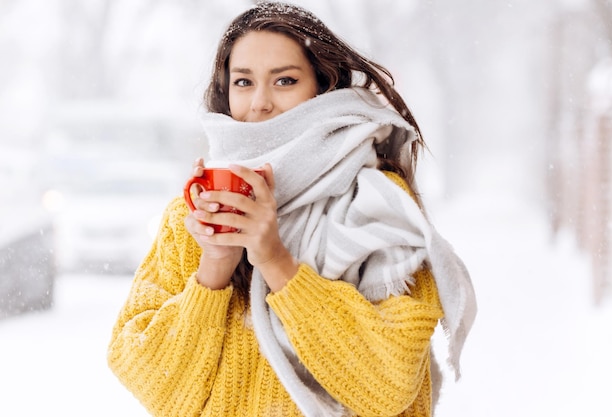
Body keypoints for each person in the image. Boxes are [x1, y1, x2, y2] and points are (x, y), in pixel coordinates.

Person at [107, 2, 477, 416]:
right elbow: (150, 383)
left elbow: (388, 386)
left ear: (322, 90)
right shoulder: (194, 216)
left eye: (284, 80)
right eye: (243, 82)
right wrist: (215, 266)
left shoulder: (377, 207)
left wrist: (275, 259)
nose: (260, 103)